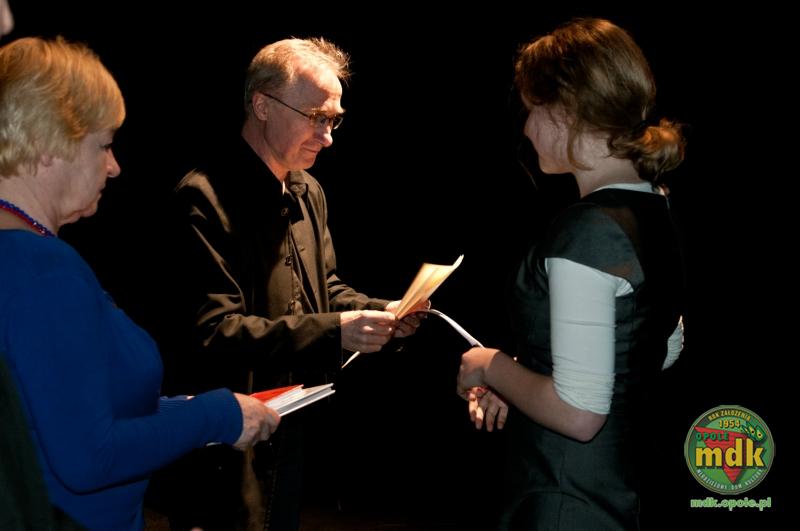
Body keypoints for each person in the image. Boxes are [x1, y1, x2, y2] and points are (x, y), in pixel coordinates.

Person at [0, 36, 281, 531]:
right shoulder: (41, 268)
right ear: (48, 144)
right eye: (104, 145)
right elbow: (90, 457)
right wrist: (217, 415)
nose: (115, 166)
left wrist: (187, 410)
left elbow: (61, 413)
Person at [161, 37, 426, 531]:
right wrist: (337, 330)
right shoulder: (203, 197)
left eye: (334, 120)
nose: (327, 137)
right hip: (227, 439)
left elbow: (323, 290)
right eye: (316, 118)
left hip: (291, 427)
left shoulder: (307, 189)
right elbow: (216, 331)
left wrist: (383, 310)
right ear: (262, 105)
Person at [457, 18, 686, 530]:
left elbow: (579, 414)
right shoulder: (655, 206)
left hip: (569, 500)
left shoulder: (587, 231)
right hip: (625, 487)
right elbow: (660, 347)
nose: (526, 128)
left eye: (532, 110)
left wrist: (489, 365)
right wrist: (530, 377)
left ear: (567, 111)